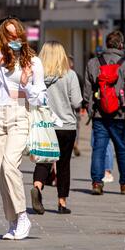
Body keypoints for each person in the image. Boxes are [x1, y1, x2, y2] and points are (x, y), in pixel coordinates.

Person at [0, 17, 47, 240]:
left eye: (18, 35)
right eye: (10, 36)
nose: (15, 40)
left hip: (19, 115)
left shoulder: (33, 62)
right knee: (1, 171)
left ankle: (23, 216)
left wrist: (25, 85)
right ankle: (12, 221)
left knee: (10, 164)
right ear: (3, 38)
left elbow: (41, 97)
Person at [83, 30, 125, 195]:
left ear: (106, 45)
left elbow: (87, 91)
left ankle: (96, 183)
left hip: (99, 114)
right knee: (122, 149)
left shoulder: (93, 63)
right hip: (120, 115)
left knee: (99, 149)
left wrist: (90, 109)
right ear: (121, 45)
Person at [30, 41, 82, 215]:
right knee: (63, 164)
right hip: (66, 126)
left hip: (44, 125)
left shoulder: (36, 76)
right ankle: (61, 202)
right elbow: (76, 102)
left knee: (43, 160)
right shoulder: (70, 75)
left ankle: (37, 187)